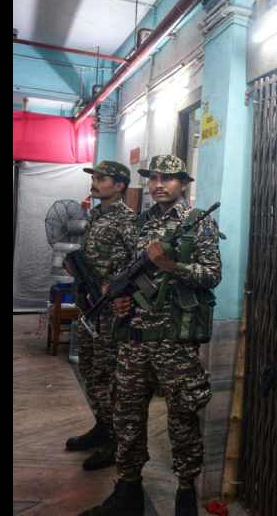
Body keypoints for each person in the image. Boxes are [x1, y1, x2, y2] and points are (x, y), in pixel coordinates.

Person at [80, 155, 221, 516]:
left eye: (168, 178)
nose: (159, 184)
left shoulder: (196, 223)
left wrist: (169, 265)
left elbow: (211, 275)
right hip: (134, 339)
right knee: (126, 415)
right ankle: (127, 493)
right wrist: (121, 300)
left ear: (182, 184)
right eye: (154, 178)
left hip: (174, 341)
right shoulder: (141, 223)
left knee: (182, 419)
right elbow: (128, 273)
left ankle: (185, 496)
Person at [66, 160, 137, 471]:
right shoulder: (94, 214)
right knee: (89, 369)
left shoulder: (128, 220)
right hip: (88, 306)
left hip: (110, 310)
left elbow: (137, 265)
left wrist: (115, 287)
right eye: (94, 177)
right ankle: (101, 425)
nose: (95, 182)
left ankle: (115, 441)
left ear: (120, 185)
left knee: (109, 375)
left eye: (102, 178)